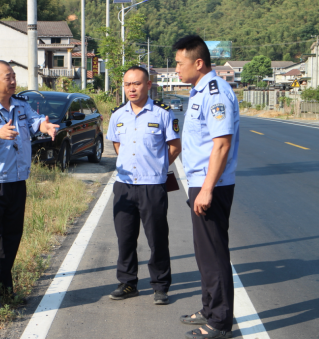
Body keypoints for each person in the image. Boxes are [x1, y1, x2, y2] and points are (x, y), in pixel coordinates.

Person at [0, 60, 59, 312]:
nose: (13, 80)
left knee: (11, 238)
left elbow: (33, 122)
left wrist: (44, 125)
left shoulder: (21, 105)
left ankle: (5, 287)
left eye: (14, 76)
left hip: (17, 181)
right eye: (7, 77)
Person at [174, 35, 240, 339]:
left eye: (179, 63)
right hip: (201, 182)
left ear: (198, 63)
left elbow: (221, 145)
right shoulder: (199, 90)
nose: (176, 69)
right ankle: (209, 307)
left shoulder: (215, 92)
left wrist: (207, 189)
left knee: (214, 254)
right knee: (204, 253)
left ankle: (219, 322)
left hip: (210, 185)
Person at [106, 66, 182, 305]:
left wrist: (157, 167)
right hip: (125, 186)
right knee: (125, 237)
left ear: (148, 85)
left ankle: (160, 285)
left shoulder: (163, 114)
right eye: (128, 84)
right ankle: (128, 283)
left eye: (137, 83)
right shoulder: (117, 115)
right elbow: (118, 146)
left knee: (157, 237)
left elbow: (175, 147)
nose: (131, 88)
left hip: (152, 186)